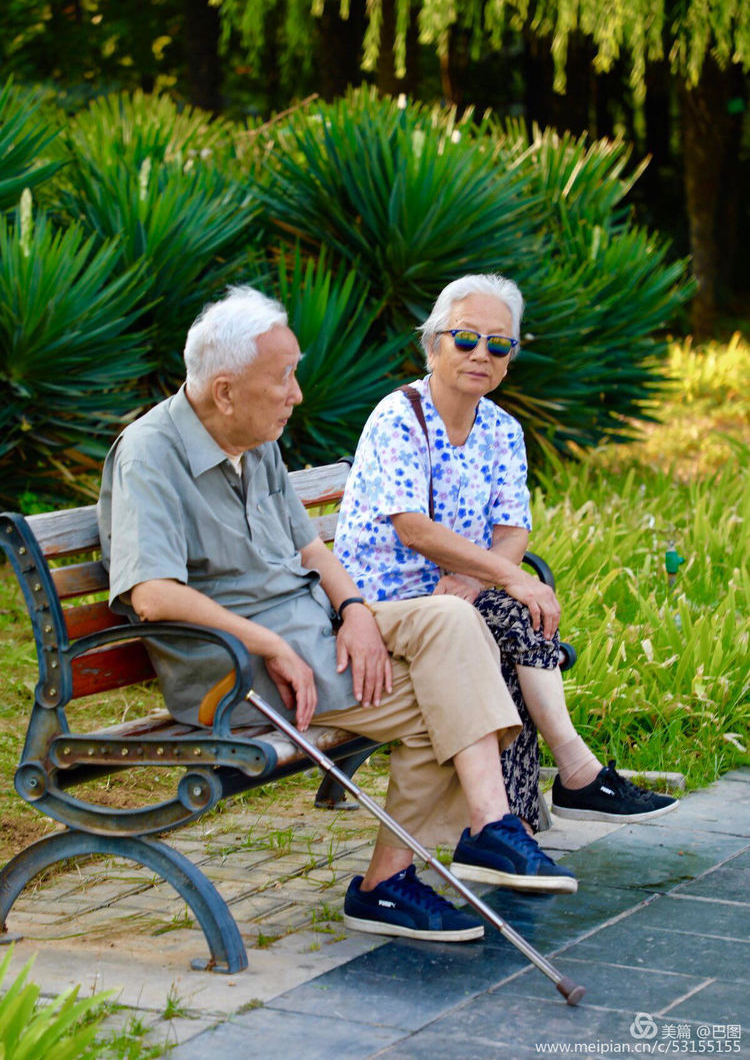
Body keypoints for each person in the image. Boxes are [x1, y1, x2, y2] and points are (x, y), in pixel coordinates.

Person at [97, 284, 578, 949]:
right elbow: (151, 593)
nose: (296, 394)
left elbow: (311, 547)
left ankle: (489, 826)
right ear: (226, 389)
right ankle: (395, 878)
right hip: (242, 672)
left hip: (316, 634)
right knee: (455, 703)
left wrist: (353, 609)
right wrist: (270, 641)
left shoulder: (254, 437)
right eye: (284, 377)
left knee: (452, 620)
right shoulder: (151, 451)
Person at [334, 273, 678, 827]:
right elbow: (413, 528)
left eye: (498, 345)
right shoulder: (399, 417)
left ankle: (516, 826)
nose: (481, 354)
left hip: (455, 600)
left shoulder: (502, 430)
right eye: (465, 339)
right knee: (516, 610)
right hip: (383, 605)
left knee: (507, 621)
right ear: (433, 343)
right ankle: (571, 776)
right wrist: (510, 579)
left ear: (510, 357)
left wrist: (478, 580)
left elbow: (514, 530)